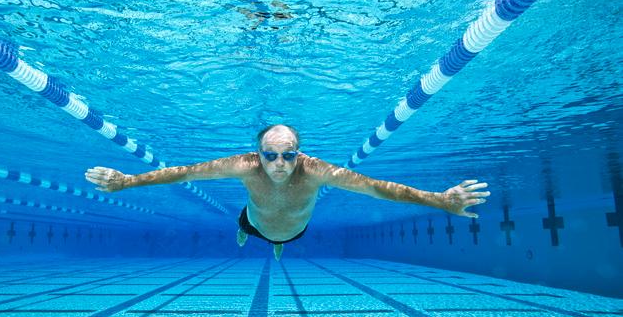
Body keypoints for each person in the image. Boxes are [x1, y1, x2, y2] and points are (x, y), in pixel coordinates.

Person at [85, 124, 490, 261]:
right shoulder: (242, 165)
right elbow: (183, 173)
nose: (279, 164)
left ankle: (276, 245)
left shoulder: (315, 171)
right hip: (254, 219)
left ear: (300, 153)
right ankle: (245, 233)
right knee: (246, 227)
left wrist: (440, 200)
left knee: (283, 242)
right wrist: (128, 181)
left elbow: (376, 189)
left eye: (288, 155)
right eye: (271, 155)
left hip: (295, 230)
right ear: (257, 154)